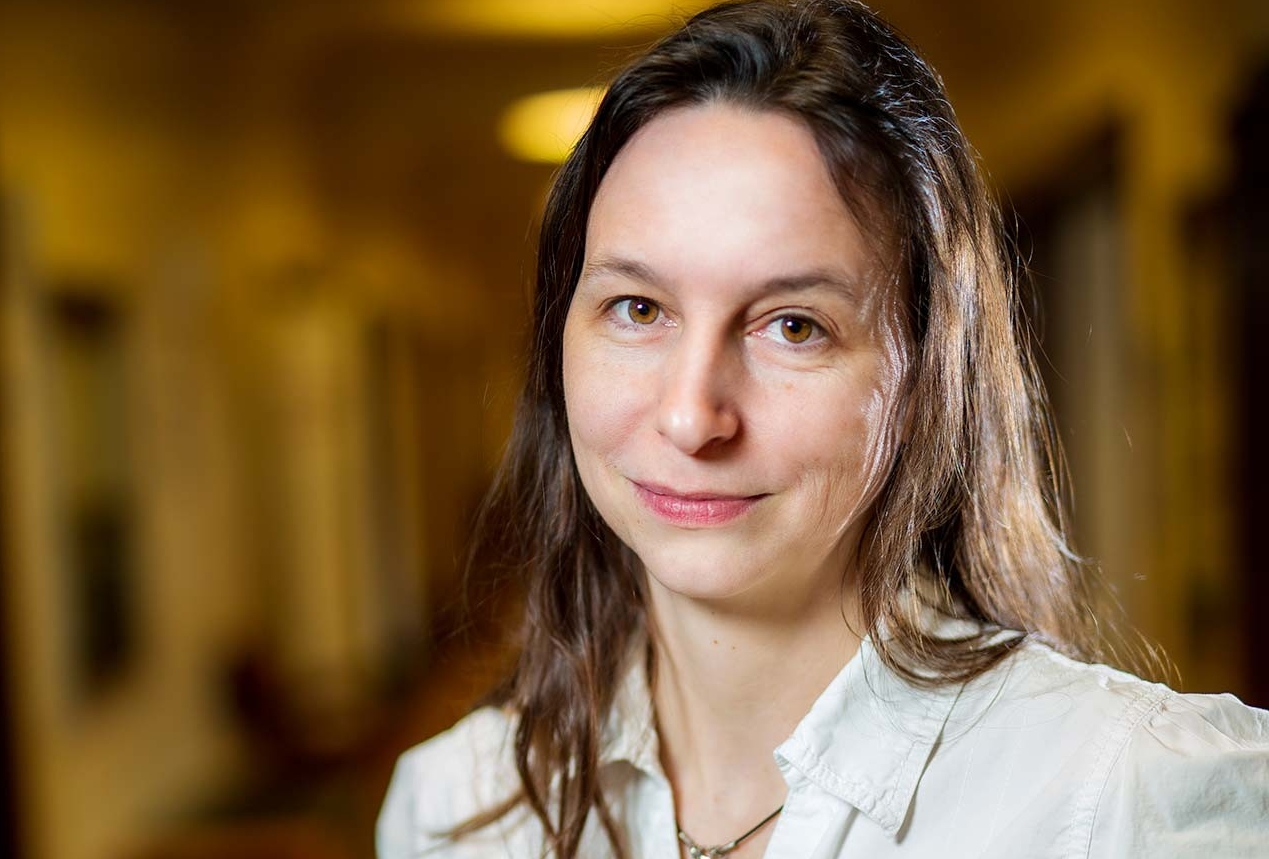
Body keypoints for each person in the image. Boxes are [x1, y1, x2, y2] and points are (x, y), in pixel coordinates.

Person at [377, 1, 1269, 856]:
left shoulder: (1125, 801)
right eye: (637, 306)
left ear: (925, 376)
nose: (691, 417)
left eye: (793, 325)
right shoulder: (457, 811)